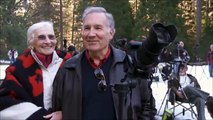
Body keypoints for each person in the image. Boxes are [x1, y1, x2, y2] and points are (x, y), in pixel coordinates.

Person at [51, 6, 177, 120]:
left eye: (98, 28)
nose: (91, 34)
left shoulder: (130, 65)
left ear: (111, 33)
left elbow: (147, 107)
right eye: (87, 28)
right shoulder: (68, 69)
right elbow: (58, 109)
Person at [0, 21, 71, 119]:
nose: (48, 41)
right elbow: (5, 101)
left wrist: (66, 112)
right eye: (41, 37)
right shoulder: (18, 68)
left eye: (51, 37)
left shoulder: (70, 64)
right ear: (31, 42)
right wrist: (40, 116)